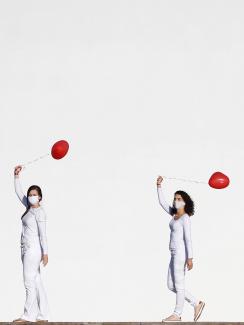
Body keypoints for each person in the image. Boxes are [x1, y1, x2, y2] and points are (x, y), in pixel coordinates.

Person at [156, 175, 205, 322]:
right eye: (175, 198)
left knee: (179, 283)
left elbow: (188, 238)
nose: (175, 201)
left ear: (184, 202)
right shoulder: (174, 215)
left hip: (181, 254)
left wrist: (190, 258)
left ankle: (177, 314)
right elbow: (162, 203)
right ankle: (197, 303)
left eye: (179, 199)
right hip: (173, 253)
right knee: (171, 285)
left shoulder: (185, 218)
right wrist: (158, 186)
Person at [13, 165, 49, 323]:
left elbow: (43, 235)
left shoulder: (40, 212)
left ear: (40, 197)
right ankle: (44, 315)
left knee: (28, 281)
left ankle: (28, 315)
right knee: (36, 281)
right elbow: (19, 193)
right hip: (25, 249)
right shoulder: (29, 207)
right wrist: (16, 177)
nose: (31, 196)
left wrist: (45, 253)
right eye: (30, 195)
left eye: (34, 195)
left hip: (33, 250)